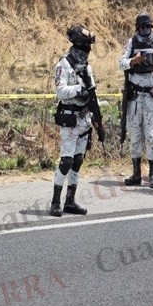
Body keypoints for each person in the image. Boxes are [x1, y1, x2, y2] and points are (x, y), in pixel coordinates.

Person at [49, 25, 98, 217]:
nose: (88, 50)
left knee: (78, 160)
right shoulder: (64, 64)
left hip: (84, 119)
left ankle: (70, 201)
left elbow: (92, 93)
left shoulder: (87, 67)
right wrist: (78, 90)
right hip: (69, 119)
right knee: (66, 162)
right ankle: (55, 202)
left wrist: (96, 118)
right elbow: (60, 91)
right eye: (86, 46)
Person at [118, 12, 153, 188]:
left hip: (150, 96)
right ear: (138, 28)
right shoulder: (132, 42)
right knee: (135, 134)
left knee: (152, 134)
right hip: (135, 96)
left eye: (149, 27)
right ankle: (136, 174)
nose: (146, 30)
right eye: (143, 27)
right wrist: (134, 61)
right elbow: (121, 63)